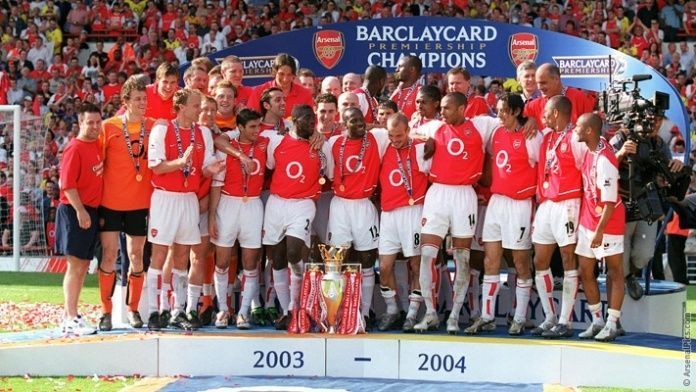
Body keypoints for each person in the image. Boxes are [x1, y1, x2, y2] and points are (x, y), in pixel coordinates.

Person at [414, 92, 499, 334]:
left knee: (461, 258)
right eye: (441, 107)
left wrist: (530, 122)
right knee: (428, 253)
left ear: (462, 109)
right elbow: (406, 134)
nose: (442, 112)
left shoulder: (481, 125)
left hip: (464, 195)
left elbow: (509, 123)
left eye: (448, 108)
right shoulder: (433, 127)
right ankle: (431, 313)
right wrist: (423, 140)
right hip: (438, 194)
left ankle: (454, 316)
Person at [145, 88, 223, 331]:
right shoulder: (162, 129)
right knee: (158, 255)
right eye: (195, 105)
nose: (200, 109)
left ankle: (178, 309)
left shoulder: (203, 133)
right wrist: (180, 163)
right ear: (181, 106)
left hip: (189, 199)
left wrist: (214, 168)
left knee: (182, 257)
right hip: (165, 198)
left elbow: (207, 164)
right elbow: (156, 167)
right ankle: (154, 311)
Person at [464, 94, 541, 336]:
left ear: (517, 111)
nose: (500, 116)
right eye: (498, 110)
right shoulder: (495, 132)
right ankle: (487, 316)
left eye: (505, 111)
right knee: (490, 260)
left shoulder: (531, 136)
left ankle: (519, 317)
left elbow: (545, 164)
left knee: (520, 261)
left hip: (520, 204)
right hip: (497, 202)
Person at [263, 104, 333, 330]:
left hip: (304, 204)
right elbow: (270, 164)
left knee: (294, 252)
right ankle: (287, 311)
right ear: (294, 120)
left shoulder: (323, 145)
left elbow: (329, 174)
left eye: (313, 123)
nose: (311, 127)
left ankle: (297, 305)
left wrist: (321, 140)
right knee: (278, 257)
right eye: (306, 122)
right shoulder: (275, 141)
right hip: (276, 203)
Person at [96, 76, 155, 331]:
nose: (143, 103)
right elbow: (97, 161)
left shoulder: (154, 126)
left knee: (136, 256)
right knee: (110, 255)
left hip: (139, 203)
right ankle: (106, 311)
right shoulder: (108, 127)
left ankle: (133, 309)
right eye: (138, 99)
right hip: (110, 203)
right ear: (126, 102)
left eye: (145, 99)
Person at [327, 107, 390, 330]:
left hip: (364, 206)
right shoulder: (333, 143)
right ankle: (335, 313)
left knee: (366, 259)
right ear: (344, 124)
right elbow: (326, 171)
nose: (360, 124)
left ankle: (363, 313)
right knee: (335, 260)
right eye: (354, 121)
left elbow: (401, 131)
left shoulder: (377, 138)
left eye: (362, 120)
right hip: (340, 206)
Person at [610, 113, 684, 300]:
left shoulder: (659, 144)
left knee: (644, 254)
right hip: (621, 205)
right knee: (621, 256)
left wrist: (676, 165)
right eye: (651, 118)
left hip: (648, 205)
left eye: (659, 119)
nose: (654, 124)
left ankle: (631, 275)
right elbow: (601, 167)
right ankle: (628, 279)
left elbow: (667, 173)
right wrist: (621, 154)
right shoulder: (621, 137)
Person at [530, 96, 586, 339]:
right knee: (539, 260)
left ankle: (566, 321)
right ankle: (550, 317)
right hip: (547, 204)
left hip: (568, 202)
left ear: (556, 113)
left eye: (546, 112)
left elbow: (587, 169)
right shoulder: (546, 137)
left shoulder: (575, 138)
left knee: (567, 259)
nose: (542, 115)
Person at [209, 109, 268, 329]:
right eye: (252, 127)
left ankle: (243, 313)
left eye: (258, 126)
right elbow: (216, 183)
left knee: (250, 263)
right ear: (240, 128)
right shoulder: (228, 146)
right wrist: (213, 216)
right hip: (228, 204)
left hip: (253, 204)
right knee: (222, 261)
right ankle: (223, 310)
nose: (256, 131)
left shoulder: (265, 142)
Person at [574, 113, 626, 342]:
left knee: (615, 272)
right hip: (588, 221)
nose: (575, 129)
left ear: (589, 131)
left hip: (607, 223)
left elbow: (610, 202)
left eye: (578, 127)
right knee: (585, 270)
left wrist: (600, 230)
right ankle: (596, 320)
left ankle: (612, 323)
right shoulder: (589, 151)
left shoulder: (605, 160)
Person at [377, 113, 430, 332]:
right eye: (391, 135)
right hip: (388, 213)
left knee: (416, 265)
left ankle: (412, 313)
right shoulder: (383, 143)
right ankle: (392, 310)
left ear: (408, 130)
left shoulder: (419, 148)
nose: (394, 140)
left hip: (413, 210)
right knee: (385, 265)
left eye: (399, 135)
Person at [57, 102, 104, 335]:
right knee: (75, 265)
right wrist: (80, 210)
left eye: (98, 122)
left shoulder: (97, 144)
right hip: (75, 210)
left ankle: (70, 314)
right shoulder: (74, 148)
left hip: (91, 210)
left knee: (83, 264)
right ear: (80, 123)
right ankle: (70, 317)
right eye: (90, 122)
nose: (95, 126)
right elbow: (67, 185)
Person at [247, 53, 314, 118]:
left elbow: (310, 121)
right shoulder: (259, 92)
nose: (285, 79)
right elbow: (249, 120)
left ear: (294, 75)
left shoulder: (305, 94)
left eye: (289, 74)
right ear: (274, 72)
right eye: (281, 74)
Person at [391, 55, 422, 119]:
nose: (396, 70)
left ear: (412, 69)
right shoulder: (396, 91)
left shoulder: (421, 92)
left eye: (400, 67)